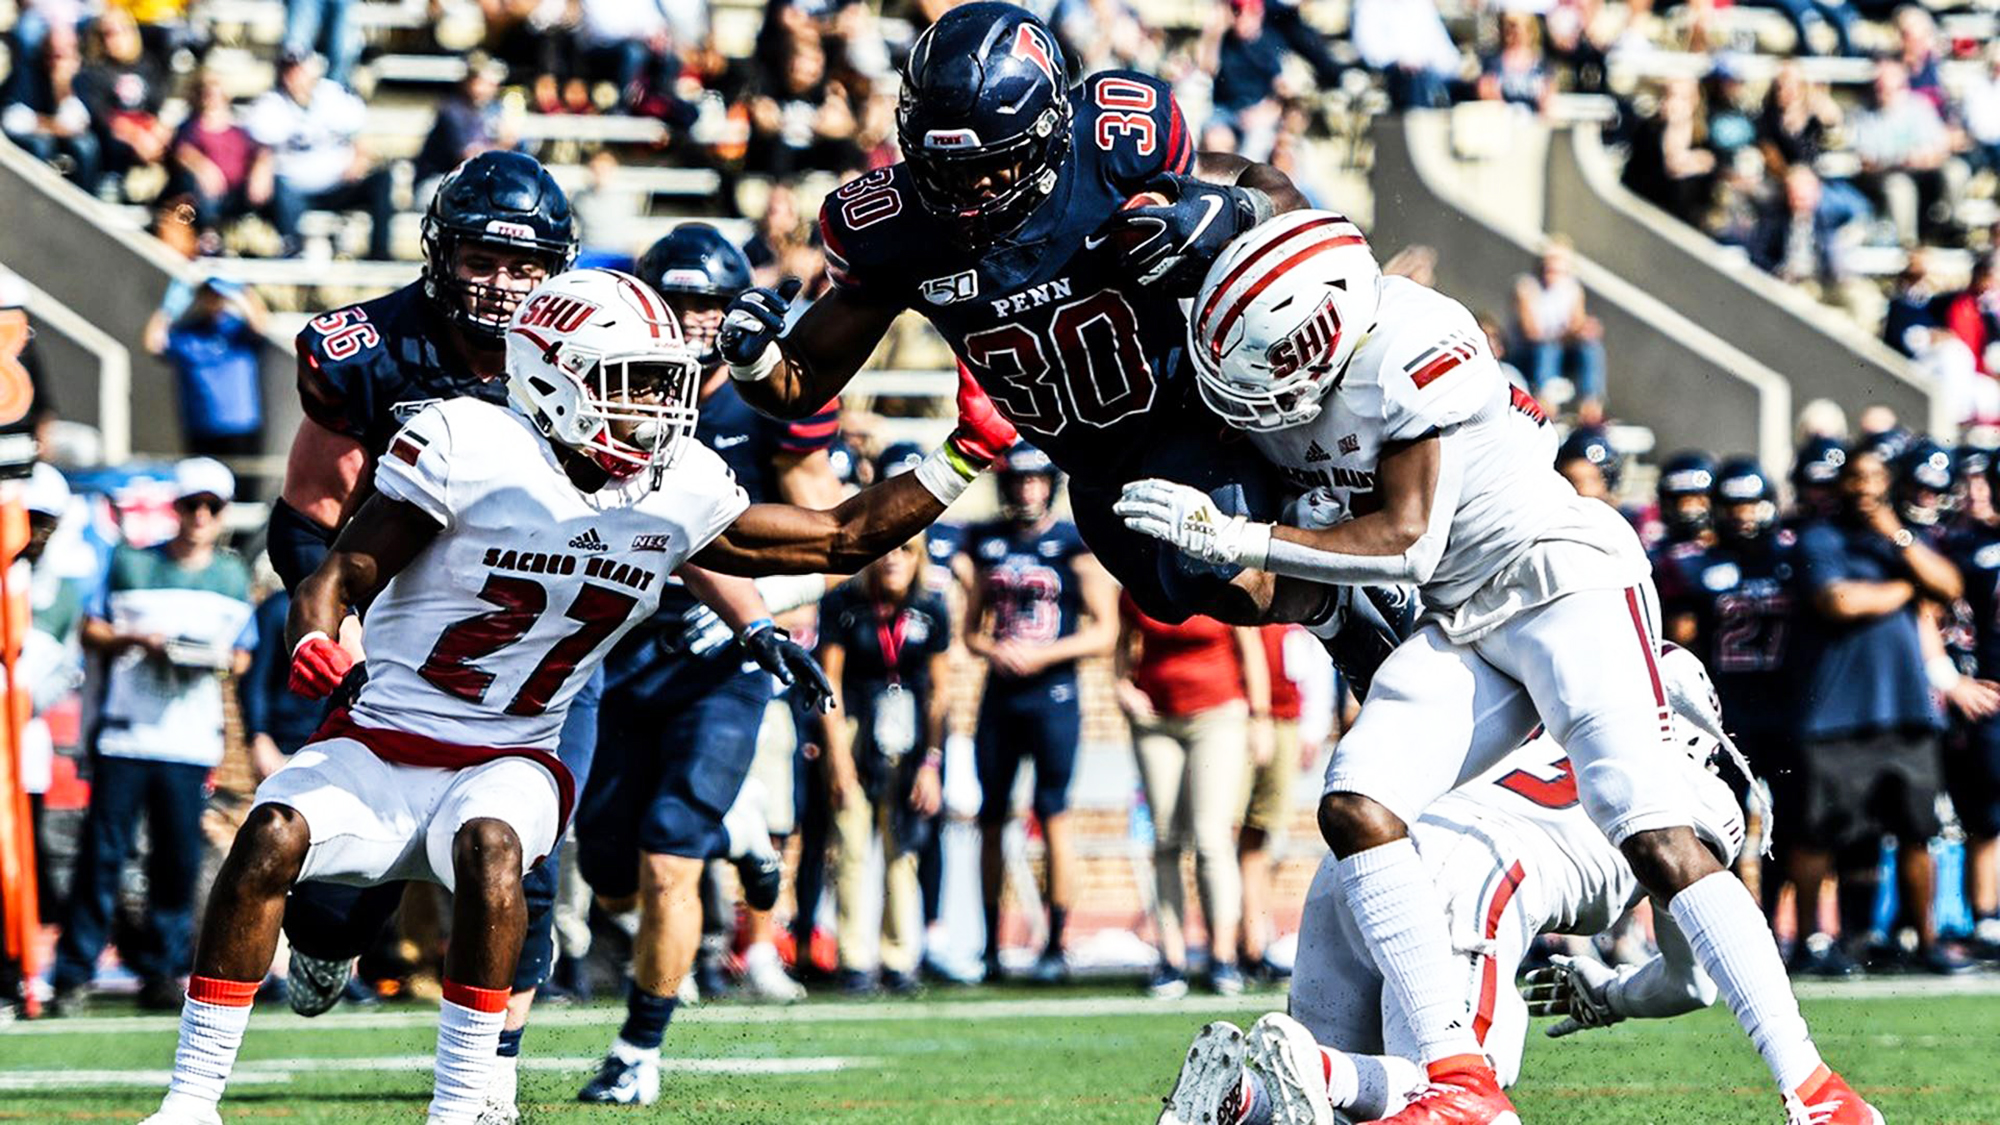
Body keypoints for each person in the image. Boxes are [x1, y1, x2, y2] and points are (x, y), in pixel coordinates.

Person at [133, 266, 1019, 1125]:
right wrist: (319, 636)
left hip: (513, 749)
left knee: (491, 848)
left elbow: (835, 538)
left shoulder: (677, 483)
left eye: (666, 385)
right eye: (630, 383)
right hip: (384, 738)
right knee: (269, 834)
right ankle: (191, 1099)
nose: (656, 410)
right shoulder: (466, 444)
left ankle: (464, 1104)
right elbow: (340, 573)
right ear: (552, 377)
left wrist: (965, 453)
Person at [1114, 210, 1878, 1123]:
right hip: (1465, 619)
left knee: (1644, 817)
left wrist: (1241, 536)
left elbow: (1403, 542)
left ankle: (1819, 1090)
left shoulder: (1412, 340)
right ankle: (1456, 1078)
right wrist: (1197, 572)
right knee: (1356, 798)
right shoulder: (1310, 350)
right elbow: (1323, 585)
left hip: (1560, 581)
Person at [715, 1, 1307, 628]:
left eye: (991, 165)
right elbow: (800, 381)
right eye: (945, 168)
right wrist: (753, 360)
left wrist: (1236, 212)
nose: (969, 189)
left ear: (1051, 132)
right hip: (1093, 468)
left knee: (1219, 575)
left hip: (1195, 417)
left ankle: (1350, 619)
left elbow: (1277, 193)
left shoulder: (1111, 150)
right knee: (1174, 601)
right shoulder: (896, 230)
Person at [1158, 647, 1747, 1125]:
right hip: (1470, 882)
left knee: (1339, 1111)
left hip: (1362, 864)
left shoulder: (1528, 729)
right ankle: (1305, 1069)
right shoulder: (1699, 796)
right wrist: (1612, 995)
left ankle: (1246, 1100)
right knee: (1463, 1096)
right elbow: (1691, 982)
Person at [569, 227, 849, 1107]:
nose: (693, 324)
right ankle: (734, 831)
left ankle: (638, 1049)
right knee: (604, 863)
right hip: (619, 647)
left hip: (725, 653)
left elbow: (833, 545)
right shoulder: (600, 380)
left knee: (665, 859)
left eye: (708, 305)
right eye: (677, 302)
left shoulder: (769, 407)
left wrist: (762, 615)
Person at [50, 457, 255, 1015]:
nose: (201, 517)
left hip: (189, 740)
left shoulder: (232, 576)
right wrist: (140, 639)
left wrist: (205, 659)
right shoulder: (132, 562)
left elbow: (240, 657)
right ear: (176, 509)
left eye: (212, 507)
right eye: (192, 505)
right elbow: (91, 629)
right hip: (126, 733)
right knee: (102, 855)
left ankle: (164, 970)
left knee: (176, 860)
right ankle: (73, 971)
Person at [1787, 444, 1973, 976]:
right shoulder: (1820, 537)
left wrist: (1897, 536)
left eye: (1875, 477)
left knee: (1917, 832)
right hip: (1836, 713)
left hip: (1908, 712)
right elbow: (1839, 602)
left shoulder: (1906, 539)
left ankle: (1925, 941)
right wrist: (1903, 587)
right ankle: (1810, 942)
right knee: (1818, 834)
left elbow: (1949, 586)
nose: (1865, 488)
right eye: (1856, 478)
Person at [960, 442, 1117, 983]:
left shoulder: (1073, 543)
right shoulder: (985, 541)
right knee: (991, 817)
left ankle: (1055, 942)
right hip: (1000, 697)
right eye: (1018, 481)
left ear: (1048, 484)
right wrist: (994, 650)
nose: (1027, 490)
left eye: (1035, 481)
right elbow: (970, 630)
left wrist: (1043, 655)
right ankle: (988, 946)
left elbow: (1104, 629)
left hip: (1054, 696)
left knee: (1052, 815)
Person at [818, 510, 952, 993]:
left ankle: (899, 957)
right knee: (851, 846)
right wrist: (837, 757)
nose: (894, 560)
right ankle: (854, 959)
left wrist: (932, 762)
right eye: (887, 550)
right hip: (856, 730)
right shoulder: (843, 604)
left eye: (905, 551)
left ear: (919, 559)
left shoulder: (932, 609)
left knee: (904, 849)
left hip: (912, 736)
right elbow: (827, 682)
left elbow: (940, 693)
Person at [1116, 596, 1270, 998]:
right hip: (1154, 722)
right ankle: (1172, 959)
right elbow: (1123, 642)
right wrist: (1121, 686)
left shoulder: (1212, 579)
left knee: (1211, 838)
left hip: (1217, 716)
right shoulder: (1137, 583)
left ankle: (1222, 957)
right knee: (1165, 840)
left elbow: (1248, 647)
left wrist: (1261, 716)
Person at [244, 49, 396, 260]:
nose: (294, 78)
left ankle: (381, 254)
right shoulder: (270, 104)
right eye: (290, 71)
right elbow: (263, 154)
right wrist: (261, 171)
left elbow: (361, 140)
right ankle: (292, 249)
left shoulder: (333, 95)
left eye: (299, 70)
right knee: (278, 187)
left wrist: (359, 158)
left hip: (338, 185)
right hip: (294, 190)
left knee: (383, 180)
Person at [1946, 453, 2000, 961]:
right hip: (1991, 693)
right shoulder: (1970, 549)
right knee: (1988, 815)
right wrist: (1950, 678)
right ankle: (1986, 918)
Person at [1239, 623, 1306, 979]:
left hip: (1286, 720)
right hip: (1250, 719)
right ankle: (1251, 942)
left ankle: (1258, 937)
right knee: (1246, 836)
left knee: (1264, 837)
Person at [145, 277, 268, 464]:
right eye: (209, 295)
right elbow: (153, 344)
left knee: (244, 489)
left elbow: (260, 326)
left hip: (240, 426)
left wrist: (242, 292)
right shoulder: (187, 332)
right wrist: (167, 309)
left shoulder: (235, 329)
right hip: (202, 426)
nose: (213, 301)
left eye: (218, 296)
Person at [169, 69, 277, 255]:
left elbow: (260, 152)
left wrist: (262, 166)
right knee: (199, 186)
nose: (212, 98)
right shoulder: (191, 126)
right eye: (206, 92)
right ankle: (208, 234)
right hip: (203, 196)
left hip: (236, 193)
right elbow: (180, 151)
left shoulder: (238, 129)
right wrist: (203, 166)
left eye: (216, 92)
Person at [1512, 236, 1605, 420]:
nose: (1552, 272)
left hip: (1559, 351)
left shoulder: (1572, 289)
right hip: (1529, 353)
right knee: (1548, 347)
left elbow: (1576, 325)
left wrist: (1585, 330)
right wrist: (1570, 332)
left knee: (1591, 347)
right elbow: (1531, 332)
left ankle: (1591, 404)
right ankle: (1546, 402)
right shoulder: (1526, 287)